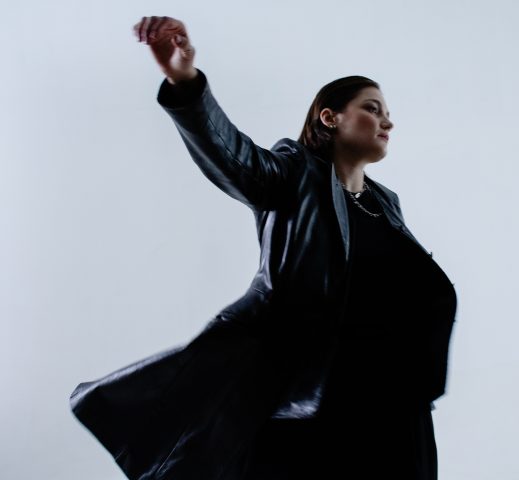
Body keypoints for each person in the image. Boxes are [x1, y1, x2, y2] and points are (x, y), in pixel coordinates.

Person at [69, 15, 457, 480]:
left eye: (387, 112)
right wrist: (185, 82)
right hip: (313, 400)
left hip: (393, 404)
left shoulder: (385, 204)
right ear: (329, 117)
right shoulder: (295, 172)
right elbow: (234, 157)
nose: (387, 120)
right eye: (372, 108)